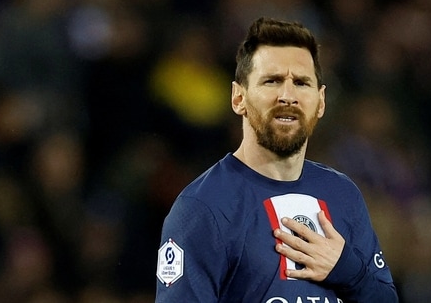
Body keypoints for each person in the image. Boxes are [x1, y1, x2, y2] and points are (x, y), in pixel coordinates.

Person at [155, 17, 398, 303]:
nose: (288, 96)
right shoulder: (203, 208)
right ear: (238, 98)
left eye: (301, 83)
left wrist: (346, 269)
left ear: (320, 102)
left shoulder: (343, 195)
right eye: (272, 81)